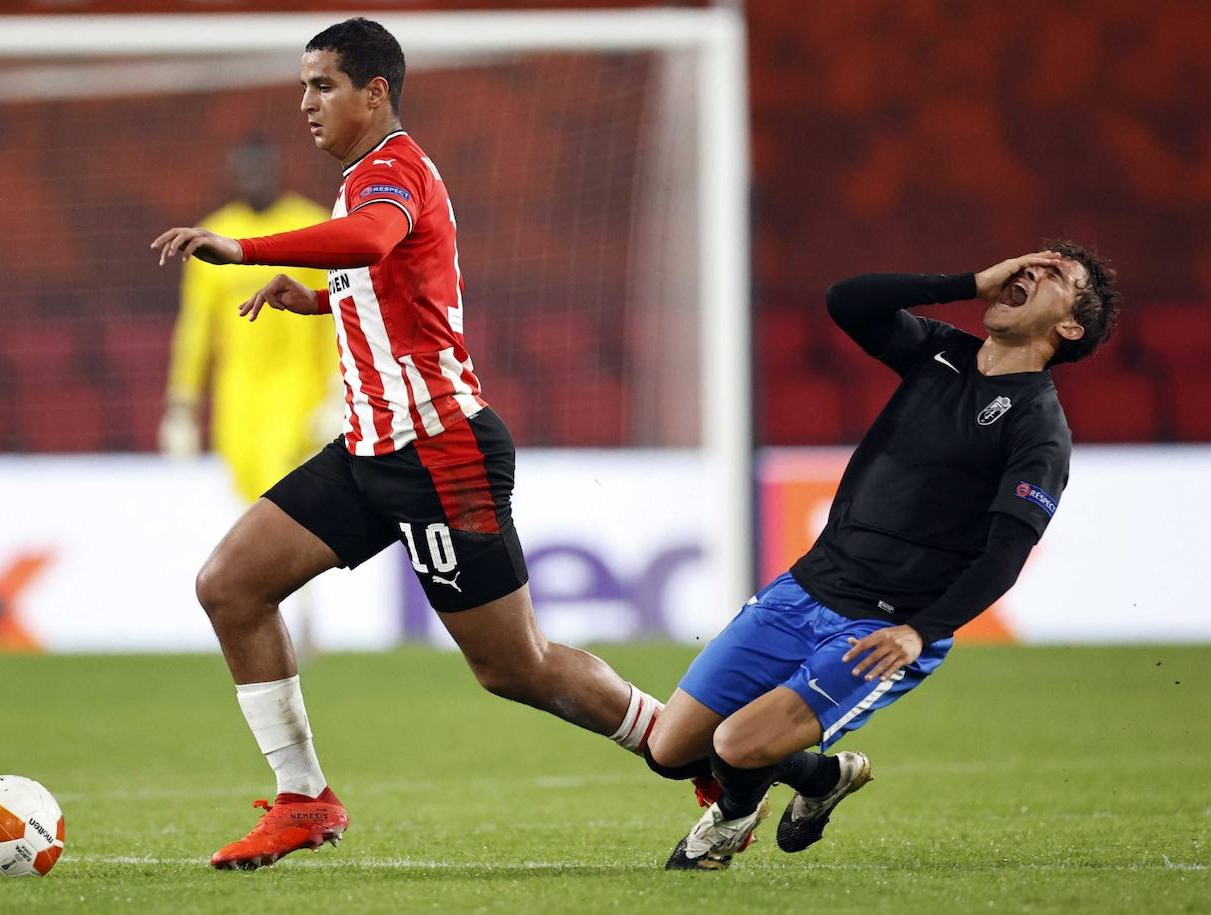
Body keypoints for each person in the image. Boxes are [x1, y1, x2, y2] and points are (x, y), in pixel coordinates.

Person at [151, 18, 662, 870]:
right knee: (231, 586)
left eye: (322, 85)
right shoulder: (362, 177)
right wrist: (313, 300)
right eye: (304, 85)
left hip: (442, 452)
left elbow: (374, 241)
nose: (304, 103)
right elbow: (391, 285)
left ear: (374, 91)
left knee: (515, 667)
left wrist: (244, 249)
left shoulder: (389, 171)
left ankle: (695, 750)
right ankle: (304, 800)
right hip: (371, 450)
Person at [645, 244, 1121, 870]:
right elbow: (848, 299)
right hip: (805, 589)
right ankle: (820, 779)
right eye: (1030, 263)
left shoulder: (1038, 426)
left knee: (734, 745)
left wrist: (919, 632)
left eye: (1056, 275)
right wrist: (969, 280)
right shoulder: (940, 352)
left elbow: (1006, 556)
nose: (1031, 271)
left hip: (882, 628)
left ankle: (728, 824)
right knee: (670, 749)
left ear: (1069, 328)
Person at [160, 134, 341, 503]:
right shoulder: (211, 237)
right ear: (232, 175)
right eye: (245, 170)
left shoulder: (310, 227)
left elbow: (337, 314)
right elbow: (196, 329)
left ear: (277, 170)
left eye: (261, 169)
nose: (254, 178)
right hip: (238, 392)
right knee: (248, 493)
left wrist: (339, 390)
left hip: (297, 386)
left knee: (283, 490)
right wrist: (183, 405)